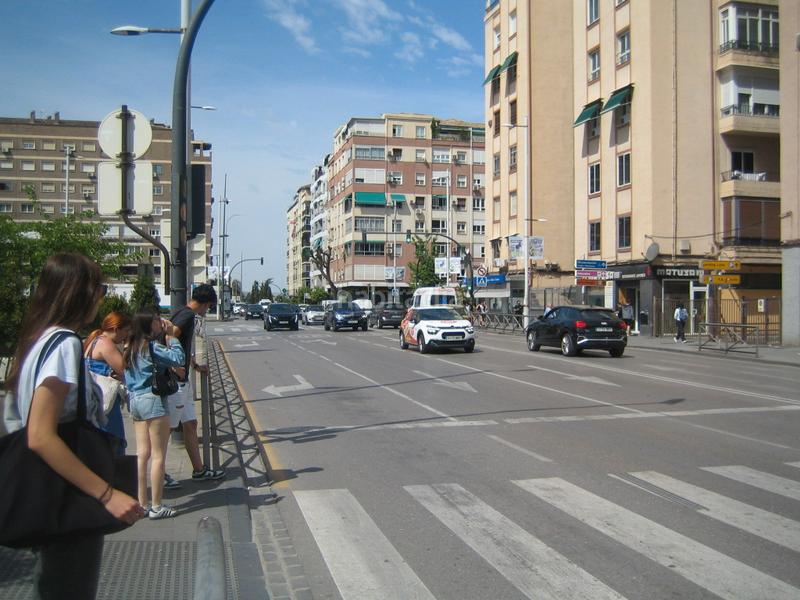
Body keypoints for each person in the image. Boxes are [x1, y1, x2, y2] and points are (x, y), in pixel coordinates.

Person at [5, 252, 143, 599]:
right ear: (79, 292)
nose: (101, 297)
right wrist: (107, 494)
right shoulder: (65, 343)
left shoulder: (38, 340)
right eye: (99, 289)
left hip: (47, 489)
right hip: (69, 495)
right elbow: (40, 435)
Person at [123, 310, 185, 519]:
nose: (161, 323)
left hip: (135, 400)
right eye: (157, 320)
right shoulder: (150, 347)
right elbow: (178, 358)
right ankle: (157, 506)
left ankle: (143, 504)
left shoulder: (129, 347)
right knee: (159, 455)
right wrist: (172, 337)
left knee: (143, 455)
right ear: (149, 325)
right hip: (152, 399)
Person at [165, 284, 224, 485]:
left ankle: (199, 470)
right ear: (205, 303)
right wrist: (174, 365)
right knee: (166, 430)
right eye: (209, 306)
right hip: (176, 384)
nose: (208, 310)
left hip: (184, 381)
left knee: (190, 424)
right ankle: (160, 474)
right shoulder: (188, 315)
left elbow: (181, 344)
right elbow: (170, 336)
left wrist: (195, 365)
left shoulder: (182, 312)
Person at [84, 311, 131, 455]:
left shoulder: (93, 340)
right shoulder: (105, 343)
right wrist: (127, 346)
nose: (126, 335)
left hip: (95, 400)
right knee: (114, 442)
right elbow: (124, 369)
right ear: (116, 329)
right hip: (107, 402)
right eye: (126, 331)